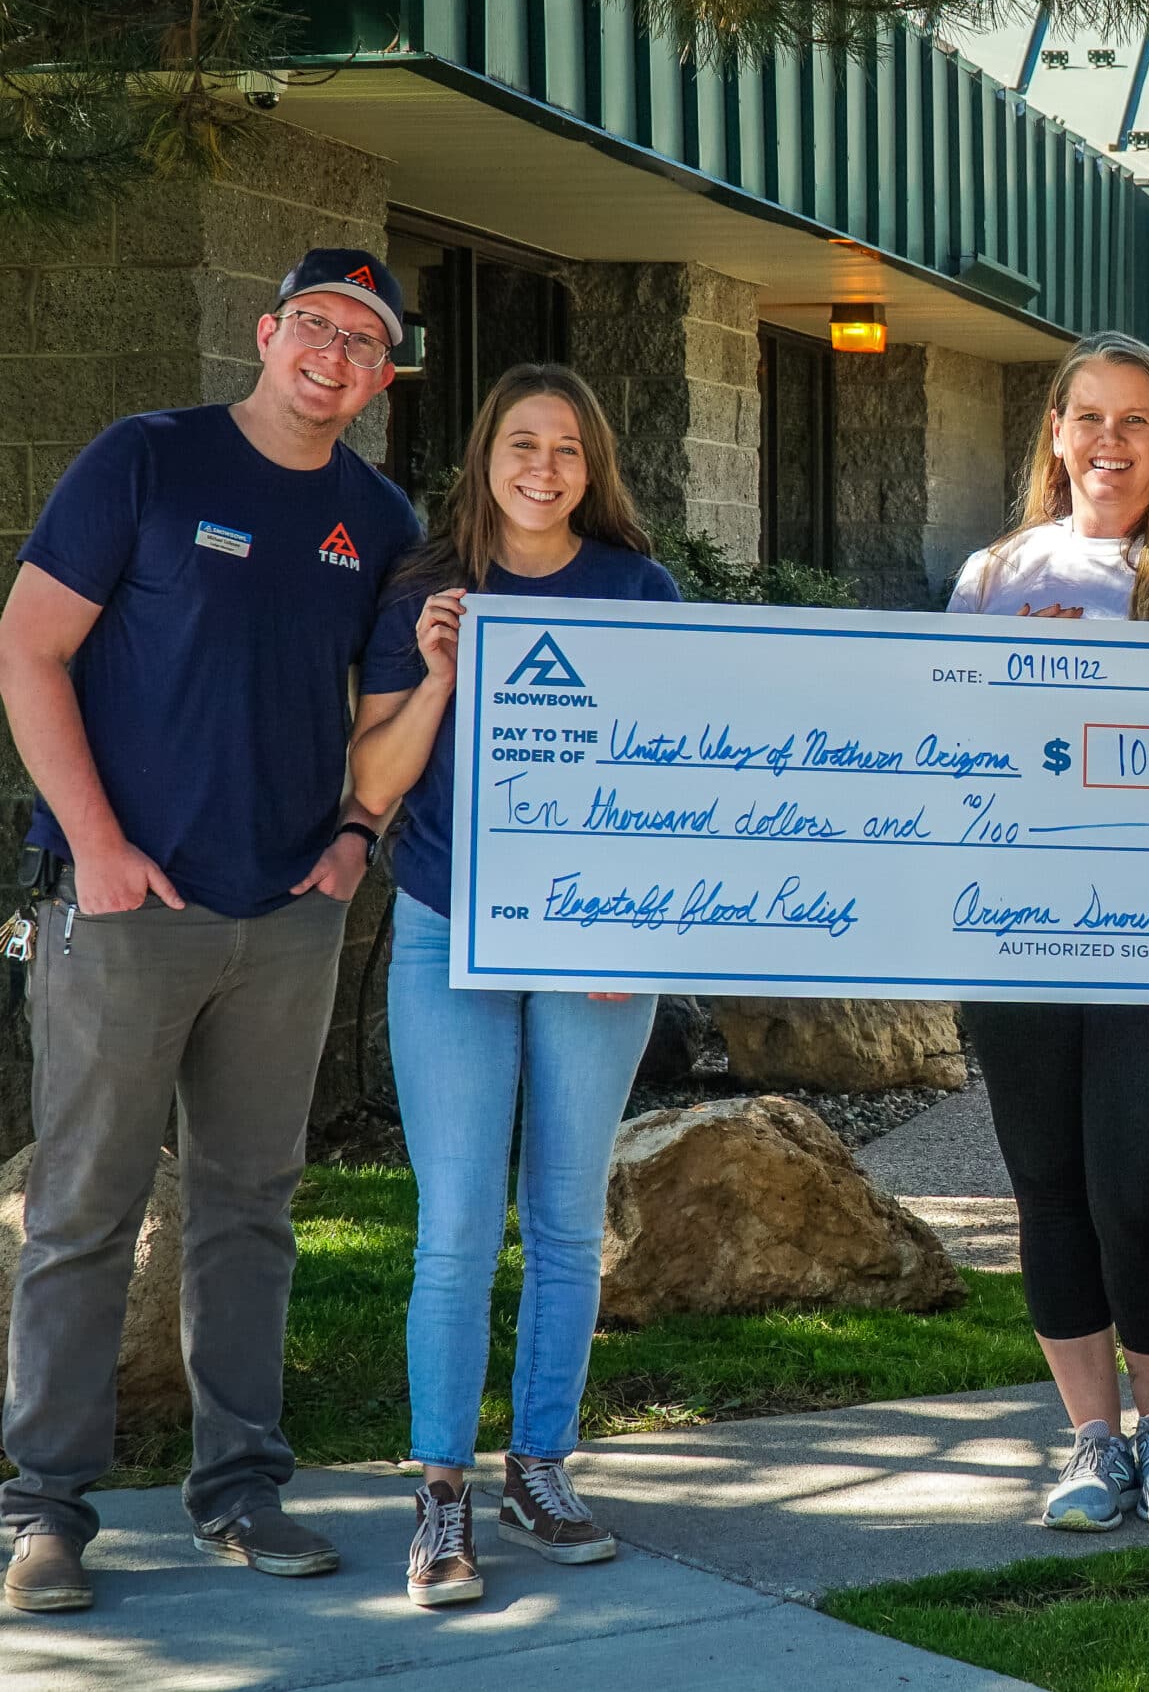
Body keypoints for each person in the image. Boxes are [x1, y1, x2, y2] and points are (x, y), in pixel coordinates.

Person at [0, 249, 422, 1613]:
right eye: (318, 325)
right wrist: (100, 847)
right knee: (83, 1211)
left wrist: (354, 841)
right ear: (267, 331)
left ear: (380, 374)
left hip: (286, 918)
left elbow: (381, 710)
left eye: (366, 342)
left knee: (251, 1212)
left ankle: (241, 1491)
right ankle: (43, 1511)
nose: (337, 355)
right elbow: (28, 646)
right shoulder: (148, 461)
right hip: (128, 911)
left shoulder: (377, 515)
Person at [349, 365, 679, 1609]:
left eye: (571, 450)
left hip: (597, 941)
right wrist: (438, 671)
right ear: (486, 453)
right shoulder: (422, 587)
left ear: (594, 470)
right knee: (451, 1223)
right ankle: (442, 1491)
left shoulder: (637, 589)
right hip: (450, 929)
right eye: (525, 443)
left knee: (562, 1215)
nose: (546, 467)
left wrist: (635, 932)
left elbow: (676, 776)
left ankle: (540, 1462)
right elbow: (372, 789)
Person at [946, 331, 1149, 1532]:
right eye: (1088, 417)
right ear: (1054, 430)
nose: (1109, 442)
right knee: (1047, 1190)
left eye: (1135, 420)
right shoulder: (992, 574)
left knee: (1137, 1191)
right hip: (1015, 936)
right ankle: (1092, 1441)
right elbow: (949, 755)